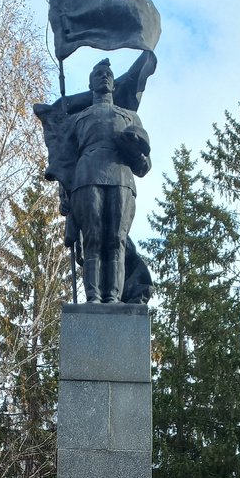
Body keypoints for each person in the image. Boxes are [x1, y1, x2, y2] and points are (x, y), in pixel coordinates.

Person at [69, 59, 151, 303]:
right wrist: (64, 195)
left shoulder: (130, 117)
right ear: (90, 84)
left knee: (117, 240)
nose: (104, 77)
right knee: (92, 238)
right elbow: (64, 160)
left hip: (121, 178)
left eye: (108, 74)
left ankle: (113, 297)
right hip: (86, 177)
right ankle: (93, 297)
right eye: (99, 74)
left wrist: (134, 151)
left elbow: (144, 166)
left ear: (114, 84)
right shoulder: (77, 119)